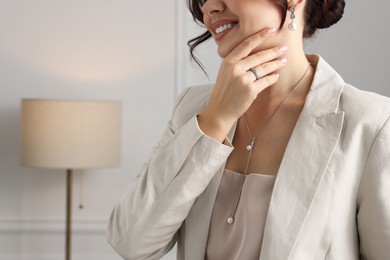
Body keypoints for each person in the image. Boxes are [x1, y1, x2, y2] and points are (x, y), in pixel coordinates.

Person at [107, 0, 390, 259]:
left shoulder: (370, 122)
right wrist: (215, 120)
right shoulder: (191, 108)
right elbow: (133, 244)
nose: (209, 8)